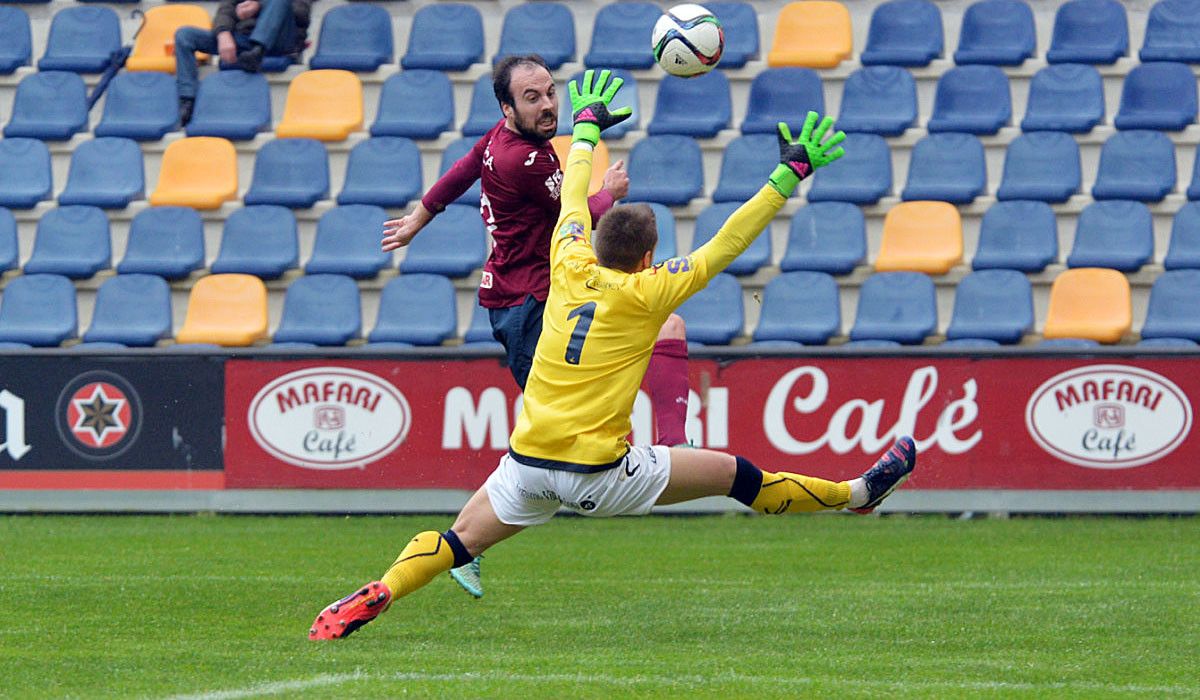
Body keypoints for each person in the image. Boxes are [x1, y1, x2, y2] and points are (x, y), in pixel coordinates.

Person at [309, 72, 917, 641]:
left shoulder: (567, 259)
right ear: (650, 258)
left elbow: (575, 192)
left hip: (528, 463)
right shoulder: (649, 292)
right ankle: (855, 495)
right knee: (738, 476)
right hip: (602, 477)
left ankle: (384, 588)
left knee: (457, 540)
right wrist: (787, 176)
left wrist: (589, 126)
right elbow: (727, 241)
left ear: (592, 242)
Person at [382, 55, 690, 597]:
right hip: (528, 307)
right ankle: (461, 545)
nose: (548, 104)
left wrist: (418, 218)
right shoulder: (525, 159)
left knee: (666, 326)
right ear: (508, 107)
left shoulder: (502, 138)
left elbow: (461, 170)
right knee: (543, 454)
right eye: (533, 97)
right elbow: (579, 213)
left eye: (550, 92)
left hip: (538, 297)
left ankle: (674, 448)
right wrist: (610, 192)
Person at [174, 0, 312, 126]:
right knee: (185, 35)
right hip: (244, 40)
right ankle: (187, 101)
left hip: (281, 41)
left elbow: (301, 13)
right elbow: (225, 10)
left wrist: (259, 6)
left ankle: (258, 50)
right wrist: (223, 33)